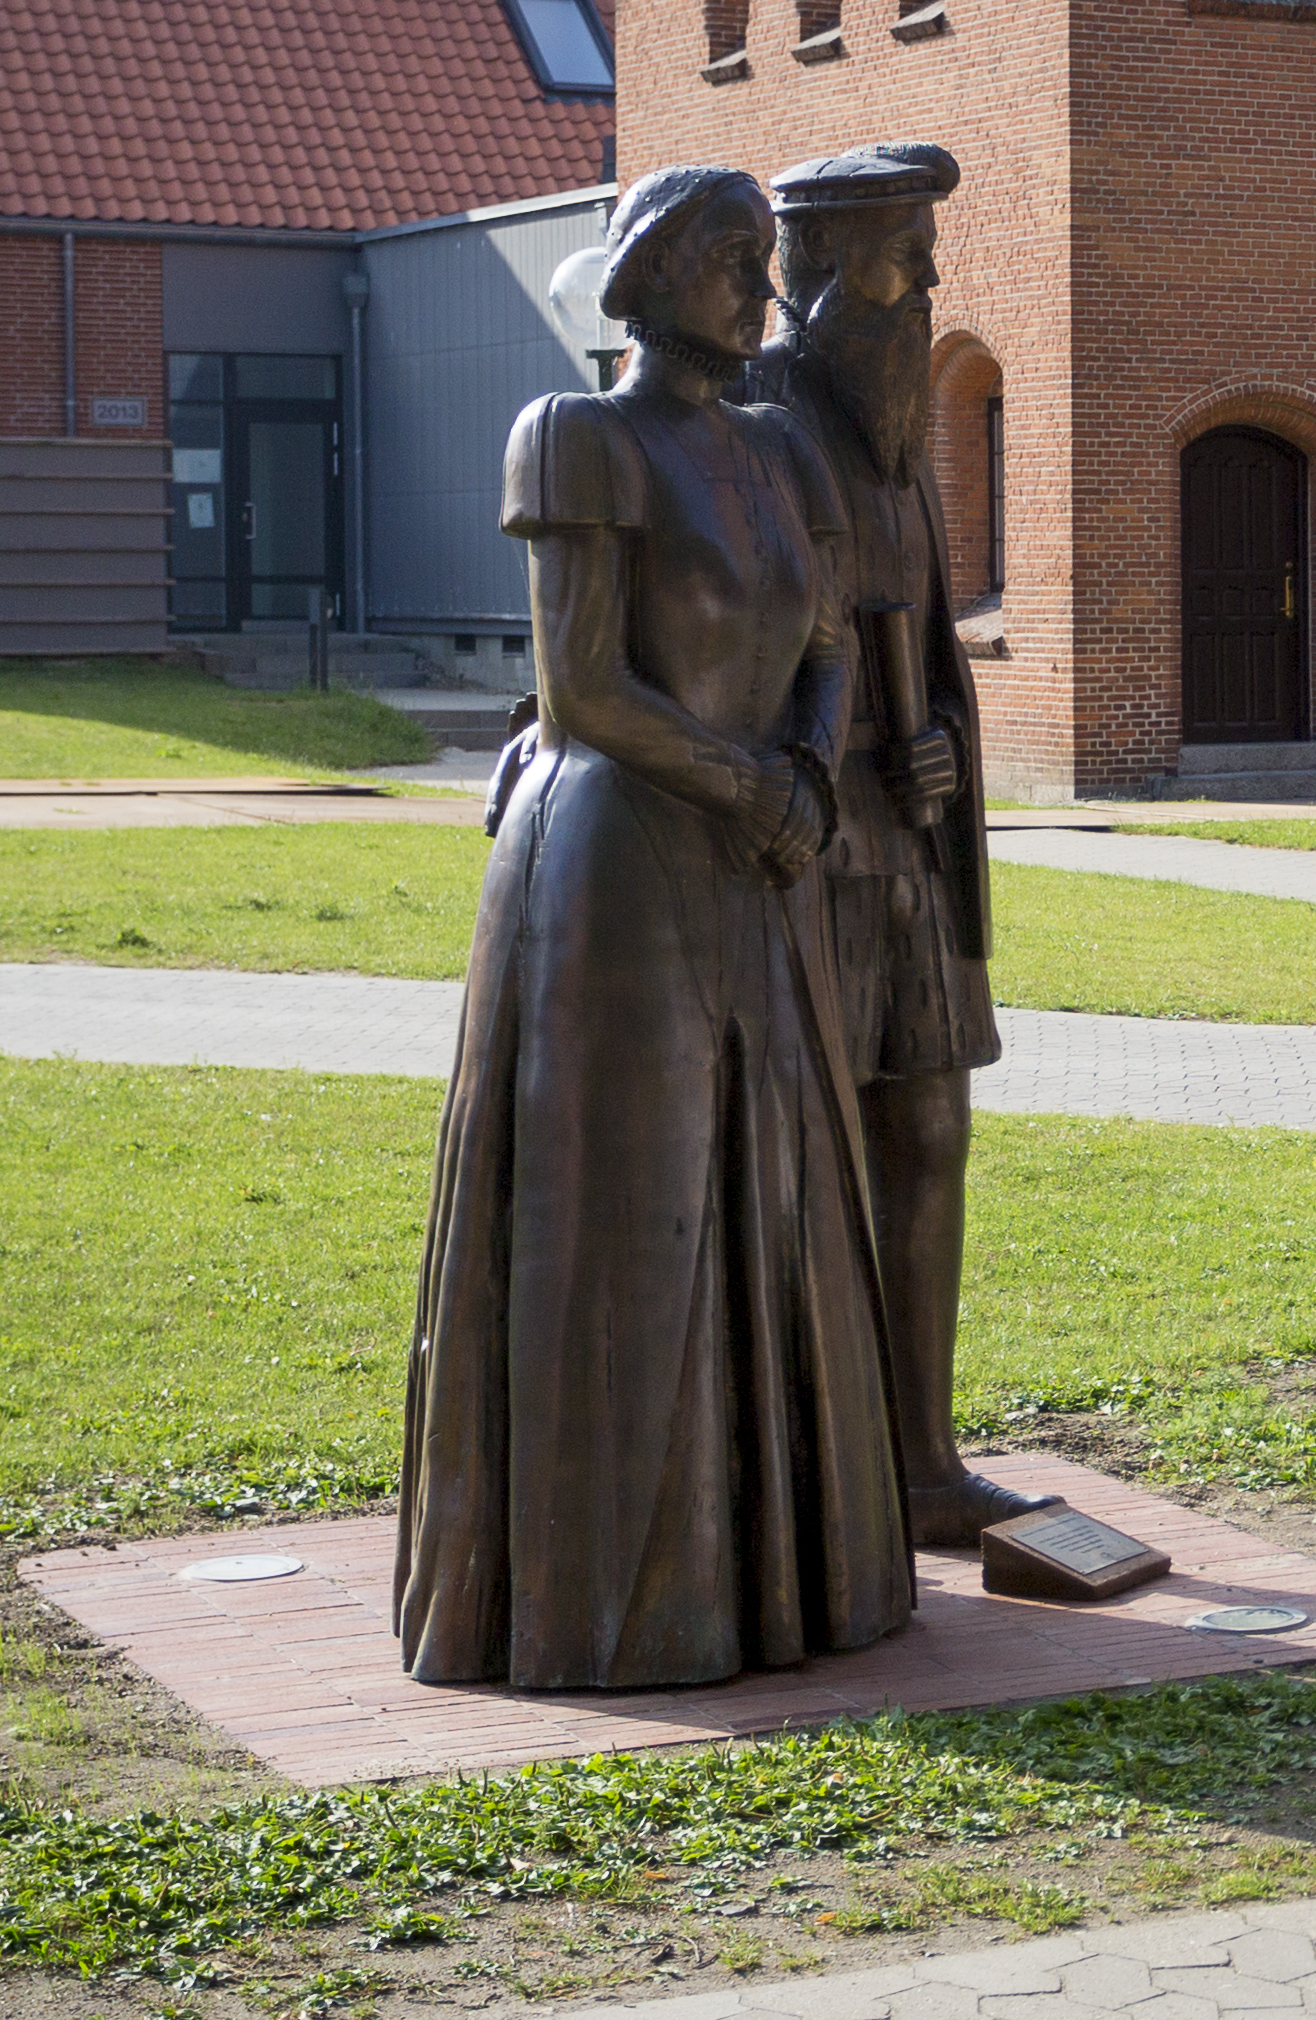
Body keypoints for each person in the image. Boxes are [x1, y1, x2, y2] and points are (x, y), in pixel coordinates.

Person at [394, 167, 918, 1690]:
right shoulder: (578, 439)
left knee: (783, 1185)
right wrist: (750, 782)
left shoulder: (777, 456)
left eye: (767, 263)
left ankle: (789, 1579)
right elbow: (582, 693)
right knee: (629, 1212)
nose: (763, 292)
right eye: (736, 263)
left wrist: (809, 772)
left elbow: (827, 634)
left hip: (761, 857)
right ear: (653, 274)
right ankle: (608, 1600)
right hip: (614, 864)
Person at [757, 143, 1043, 1549]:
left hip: (910, 852)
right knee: (801, 1144)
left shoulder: (907, 448)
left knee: (930, 1125)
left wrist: (942, 729)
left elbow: (934, 648)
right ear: (816, 276)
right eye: (899, 257)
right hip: (806, 856)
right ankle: (812, 1456)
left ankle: (923, 1457)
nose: (928, 282)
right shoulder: (755, 430)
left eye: (929, 258)